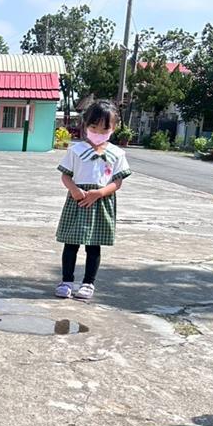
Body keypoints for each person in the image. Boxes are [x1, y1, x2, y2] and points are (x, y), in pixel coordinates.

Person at [55, 99, 131, 301]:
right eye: (93, 127)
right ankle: (66, 281)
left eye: (104, 129)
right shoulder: (76, 151)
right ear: (85, 125)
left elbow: (117, 182)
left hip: (101, 202)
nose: (98, 132)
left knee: (94, 246)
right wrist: (74, 190)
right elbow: (65, 175)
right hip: (77, 200)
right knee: (71, 243)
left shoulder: (117, 154)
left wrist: (99, 193)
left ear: (114, 128)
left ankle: (88, 283)